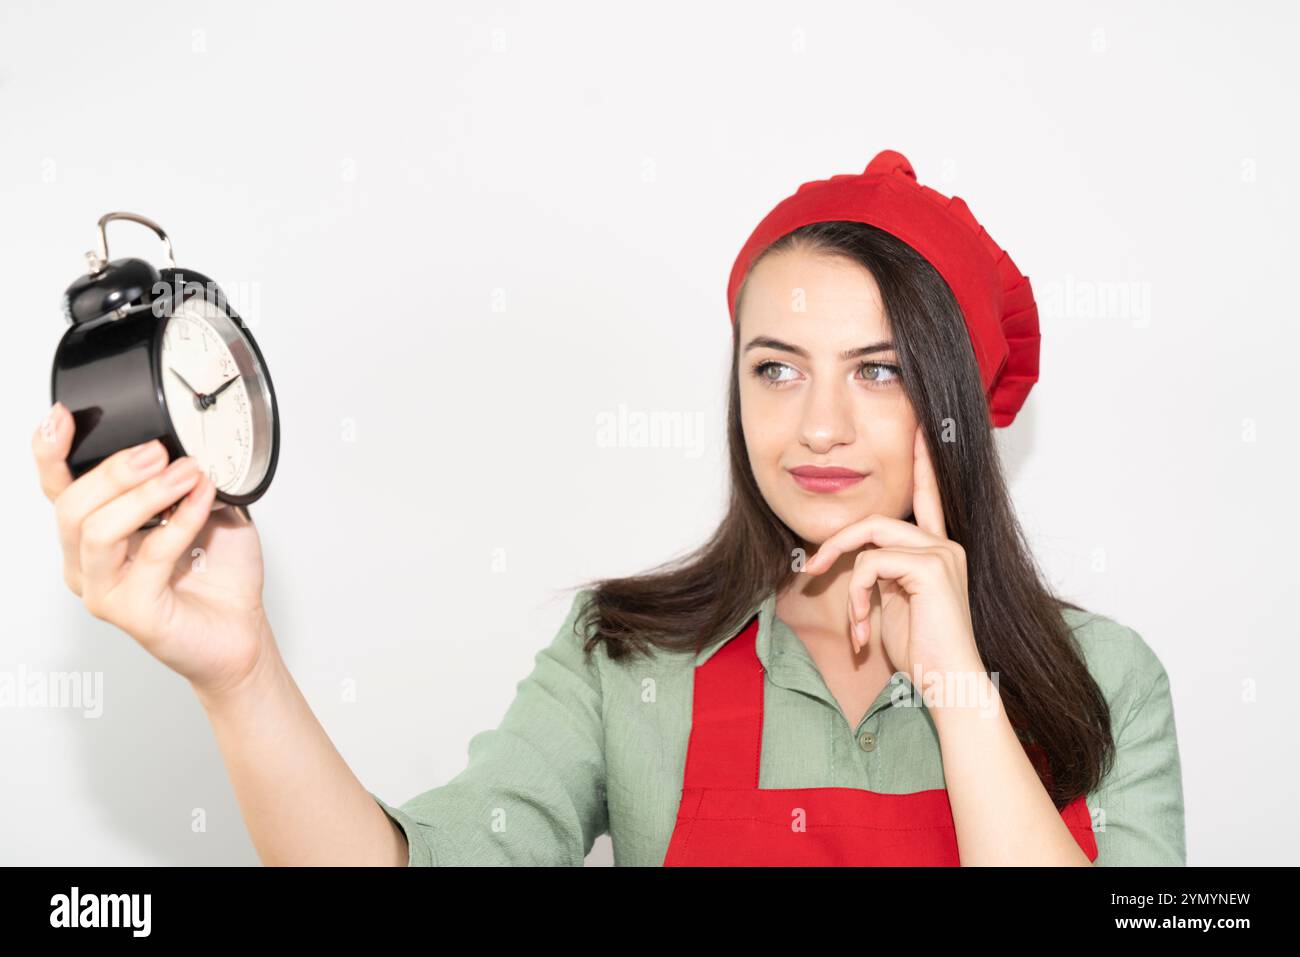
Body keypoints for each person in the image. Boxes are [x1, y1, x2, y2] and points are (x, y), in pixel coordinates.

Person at [30, 150, 1186, 866]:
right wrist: (239, 677)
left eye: (878, 372)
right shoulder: (623, 659)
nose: (816, 426)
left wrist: (954, 686)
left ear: (954, 410)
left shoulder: (1105, 680)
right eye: (775, 368)